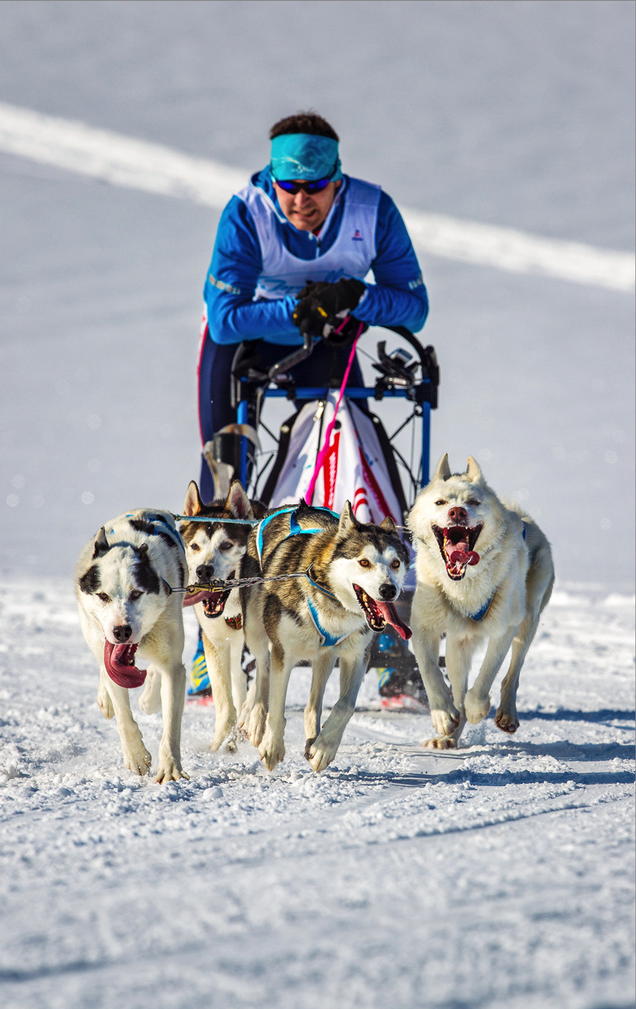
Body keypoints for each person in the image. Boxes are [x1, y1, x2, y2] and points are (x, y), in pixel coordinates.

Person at [190, 111, 429, 702]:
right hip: (246, 342)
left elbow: (414, 308)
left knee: (365, 447)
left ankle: (394, 639)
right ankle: (211, 647)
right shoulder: (246, 211)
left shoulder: (373, 211)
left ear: (337, 180)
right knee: (225, 478)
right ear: (273, 180)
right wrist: (296, 311)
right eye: (287, 186)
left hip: (333, 342)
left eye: (313, 187)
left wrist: (355, 297)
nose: (299, 201)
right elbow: (224, 316)